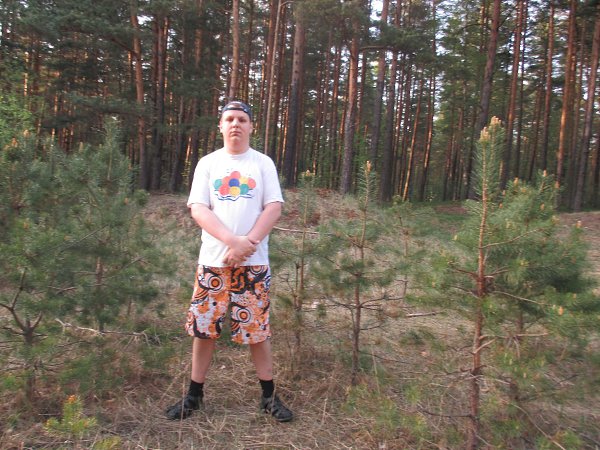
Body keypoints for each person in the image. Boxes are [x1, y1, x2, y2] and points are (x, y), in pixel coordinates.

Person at [165, 100, 293, 423]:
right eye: (230, 119)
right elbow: (199, 208)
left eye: (242, 119)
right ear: (220, 126)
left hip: (254, 264)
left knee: (257, 331)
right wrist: (233, 242)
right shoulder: (208, 164)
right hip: (213, 262)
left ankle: (269, 396)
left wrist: (248, 244)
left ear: (251, 126)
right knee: (204, 330)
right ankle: (194, 395)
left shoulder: (263, 163)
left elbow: (274, 207)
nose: (236, 124)